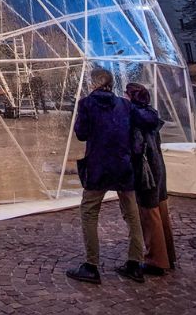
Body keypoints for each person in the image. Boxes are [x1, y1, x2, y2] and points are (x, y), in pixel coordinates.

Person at [66, 68, 156, 284]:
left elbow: (82, 133)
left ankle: (91, 266)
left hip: (98, 167)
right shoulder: (124, 105)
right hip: (123, 166)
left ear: (93, 83)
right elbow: (148, 121)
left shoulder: (87, 104)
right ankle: (135, 263)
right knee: (131, 214)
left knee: (89, 212)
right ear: (111, 83)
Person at [126, 82, 176, 276]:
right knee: (161, 212)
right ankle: (168, 255)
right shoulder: (151, 114)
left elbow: (137, 147)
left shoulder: (136, 119)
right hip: (158, 168)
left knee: (149, 215)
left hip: (145, 172)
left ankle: (156, 260)